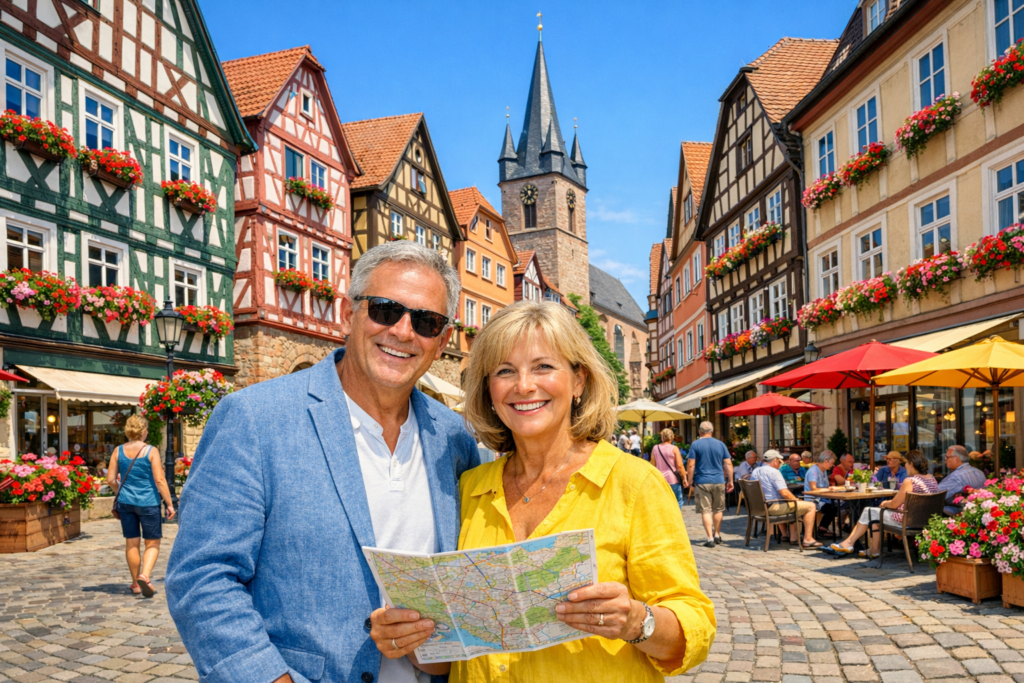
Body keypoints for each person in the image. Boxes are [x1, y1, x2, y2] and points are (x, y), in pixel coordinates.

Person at [166, 242, 480, 683]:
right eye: (386, 310)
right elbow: (202, 577)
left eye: (426, 321)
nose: (403, 331)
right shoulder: (256, 418)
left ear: (442, 341)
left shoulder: (453, 438)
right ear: (349, 314)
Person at [370, 300, 714, 681]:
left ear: (579, 380)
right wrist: (410, 638)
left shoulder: (634, 484)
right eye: (505, 371)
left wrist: (636, 621)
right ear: (489, 390)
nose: (524, 386)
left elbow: (693, 629)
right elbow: (452, 657)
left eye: (543, 367)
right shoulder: (469, 487)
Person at [106, 414, 174, 598]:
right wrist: (169, 504)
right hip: (148, 502)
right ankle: (145, 575)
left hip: (126, 503)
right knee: (152, 542)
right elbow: (160, 480)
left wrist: (120, 491)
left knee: (132, 543)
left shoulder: (118, 451)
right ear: (144, 431)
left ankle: (136, 584)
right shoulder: (151, 451)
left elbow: (110, 480)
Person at [830, 449, 938, 560]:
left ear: (911, 463)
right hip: (925, 520)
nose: (905, 466)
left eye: (906, 463)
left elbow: (894, 504)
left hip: (907, 520)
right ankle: (874, 550)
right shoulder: (932, 479)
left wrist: (885, 503)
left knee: (868, 511)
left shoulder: (910, 481)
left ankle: (849, 542)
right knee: (875, 517)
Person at [750, 450, 819, 547]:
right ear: (775, 460)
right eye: (779, 461)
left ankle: (792, 537)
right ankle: (808, 539)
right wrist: (797, 500)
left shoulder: (755, 471)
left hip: (759, 508)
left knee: (792, 504)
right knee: (811, 506)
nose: (780, 464)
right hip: (773, 507)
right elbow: (785, 493)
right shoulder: (774, 472)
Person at [686, 422, 734, 547]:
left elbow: (691, 464)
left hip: (702, 481)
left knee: (706, 510)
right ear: (712, 431)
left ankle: (710, 538)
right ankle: (717, 534)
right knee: (718, 509)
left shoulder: (695, 444)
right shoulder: (721, 444)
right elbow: (728, 464)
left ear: (700, 432)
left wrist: (689, 480)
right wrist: (731, 480)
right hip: (719, 480)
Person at [938, 444, 987, 516]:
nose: (945, 460)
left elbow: (936, 496)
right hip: (979, 513)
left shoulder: (955, 476)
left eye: (947, 457)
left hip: (960, 515)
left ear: (957, 459)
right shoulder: (979, 472)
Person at [804, 450, 838, 539]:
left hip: (822, 498)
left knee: (839, 504)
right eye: (832, 463)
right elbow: (813, 488)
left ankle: (823, 528)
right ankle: (822, 530)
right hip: (814, 500)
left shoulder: (823, 470)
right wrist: (829, 489)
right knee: (832, 506)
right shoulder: (813, 471)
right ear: (826, 461)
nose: (833, 465)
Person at [652, 428, 687, 508]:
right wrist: (684, 478)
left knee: (662, 502)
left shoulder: (655, 448)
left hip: (660, 479)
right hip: (673, 479)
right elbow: (680, 466)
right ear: (672, 437)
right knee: (677, 500)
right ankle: (676, 516)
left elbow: (652, 465)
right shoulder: (674, 448)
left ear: (662, 437)